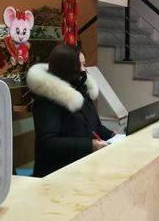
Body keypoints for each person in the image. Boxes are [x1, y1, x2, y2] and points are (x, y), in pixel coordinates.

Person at [27, 44, 113, 177]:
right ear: (67, 68)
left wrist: (113, 135)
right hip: (57, 174)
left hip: (84, 167)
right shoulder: (46, 100)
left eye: (85, 65)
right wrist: (90, 145)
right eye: (80, 65)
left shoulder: (81, 90)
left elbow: (95, 127)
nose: (84, 70)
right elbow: (48, 143)